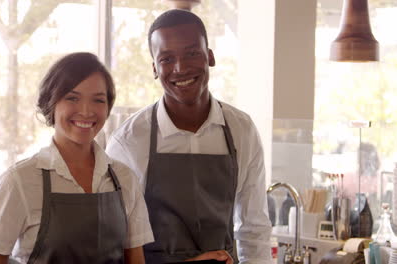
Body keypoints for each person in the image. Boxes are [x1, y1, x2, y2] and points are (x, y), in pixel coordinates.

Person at [106, 9, 272, 264]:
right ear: (154, 68)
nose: (180, 68)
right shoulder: (129, 141)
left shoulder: (242, 130)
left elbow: (254, 230)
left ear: (210, 56)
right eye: (167, 59)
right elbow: (114, 241)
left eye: (192, 53)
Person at [0, 52, 154, 264]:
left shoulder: (125, 179)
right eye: (72, 98)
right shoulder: (19, 182)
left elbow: (135, 260)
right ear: (51, 102)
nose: (86, 111)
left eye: (98, 100)